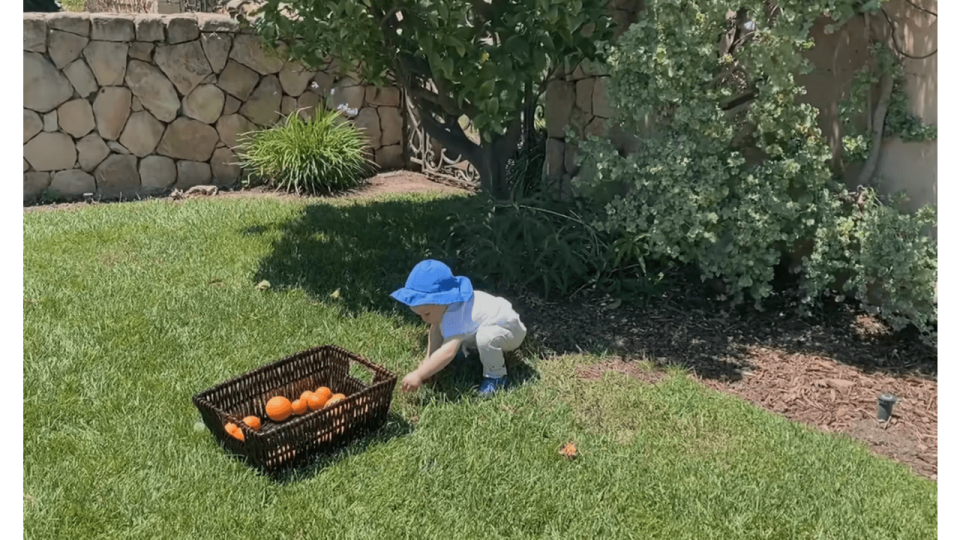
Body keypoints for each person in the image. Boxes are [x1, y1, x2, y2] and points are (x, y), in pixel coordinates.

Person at [390, 259, 527, 396]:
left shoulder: (456, 315)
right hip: (489, 324)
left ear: (441, 301)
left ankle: (497, 377)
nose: (424, 319)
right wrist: (428, 361)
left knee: (486, 338)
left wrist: (419, 374)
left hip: (510, 330)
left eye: (426, 313)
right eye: (419, 315)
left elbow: (448, 351)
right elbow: (435, 331)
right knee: (468, 333)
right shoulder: (446, 307)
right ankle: (469, 354)